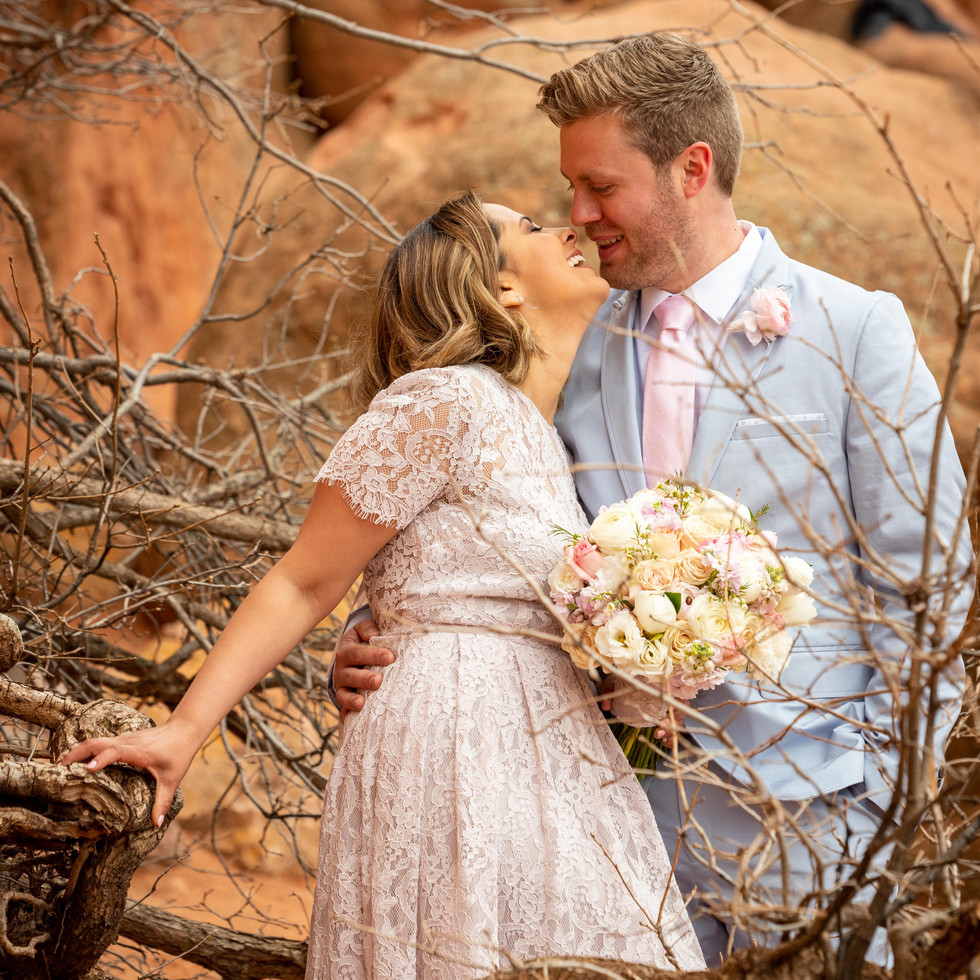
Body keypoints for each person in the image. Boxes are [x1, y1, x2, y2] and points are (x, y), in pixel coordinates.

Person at [333, 34, 975, 966]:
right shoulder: (565, 343)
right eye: (568, 190)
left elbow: (931, 584)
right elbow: (474, 511)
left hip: (810, 814)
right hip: (610, 817)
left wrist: (878, 795)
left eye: (600, 185)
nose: (579, 214)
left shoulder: (852, 329)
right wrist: (378, 629)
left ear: (692, 169)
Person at [61, 192, 706, 978]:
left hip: (553, 742)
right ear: (499, 288)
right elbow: (303, 579)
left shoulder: (547, 433)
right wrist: (183, 732)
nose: (568, 227)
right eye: (533, 229)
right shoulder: (443, 399)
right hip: (452, 741)